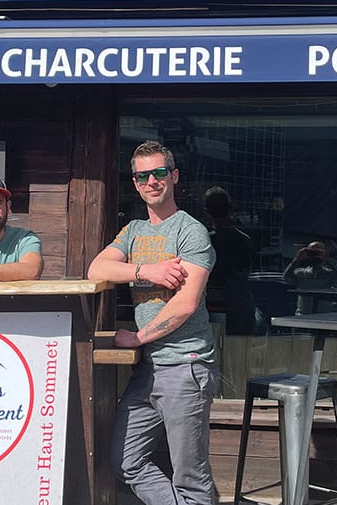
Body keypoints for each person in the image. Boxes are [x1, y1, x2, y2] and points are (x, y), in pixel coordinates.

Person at [87, 140, 218, 505]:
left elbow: (186, 304)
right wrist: (150, 270)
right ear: (135, 183)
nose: (152, 181)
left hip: (185, 365)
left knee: (191, 478)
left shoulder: (190, 231)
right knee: (125, 461)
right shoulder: (133, 231)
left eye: (159, 173)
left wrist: (139, 337)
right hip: (148, 370)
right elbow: (96, 269)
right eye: (143, 176)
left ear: (173, 177)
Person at [203, 186, 258, 334]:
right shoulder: (245, 240)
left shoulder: (205, 241)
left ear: (207, 212)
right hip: (241, 303)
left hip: (214, 304)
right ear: (230, 208)